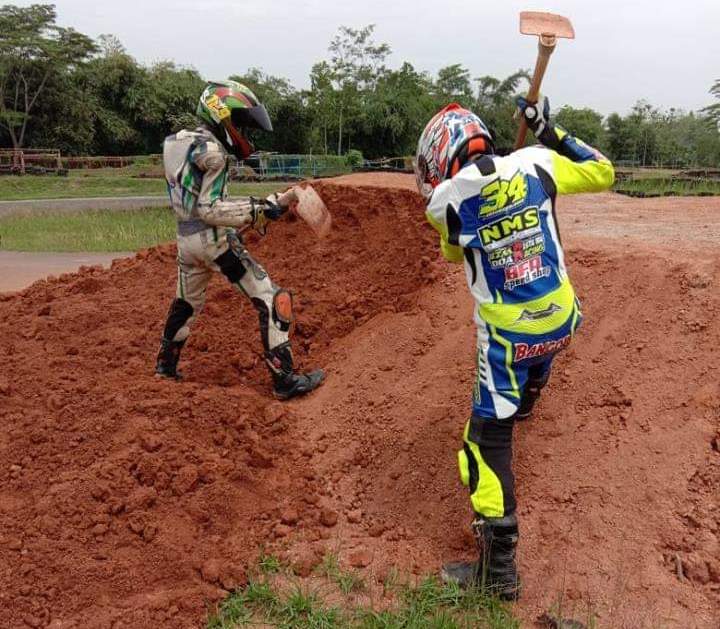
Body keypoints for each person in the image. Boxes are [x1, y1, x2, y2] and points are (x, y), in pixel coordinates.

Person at [414, 96, 614, 599]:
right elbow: (603, 171)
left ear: (440, 157)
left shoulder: (445, 204)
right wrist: (547, 131)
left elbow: (450, 247)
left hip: (507, 338)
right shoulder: (538, 163)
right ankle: (531, 393)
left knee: (484, 442)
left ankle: (498, 572)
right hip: (564, 318)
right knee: (542, 342)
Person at [155, 80, 325, 400]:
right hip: (214, 243)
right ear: (223, 115)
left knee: (186, 304)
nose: (246, 134)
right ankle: (284, 380)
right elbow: (210, 209)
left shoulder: (177, 142)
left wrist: (270, 203)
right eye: (243, 125)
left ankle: (165, 366)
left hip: (185, 242)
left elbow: (195, 205)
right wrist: (259, 208)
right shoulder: (214, 152)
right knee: (272, 298)